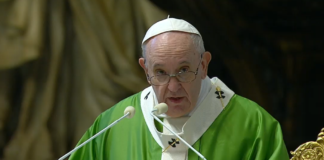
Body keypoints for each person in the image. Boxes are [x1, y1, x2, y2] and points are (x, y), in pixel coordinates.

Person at [69, 18, 289, 160]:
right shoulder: (113, 124)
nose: (173, 87)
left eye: (184, 70)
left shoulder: (254, 124)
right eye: (161, 72)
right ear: (145, 70)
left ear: (203, 65)